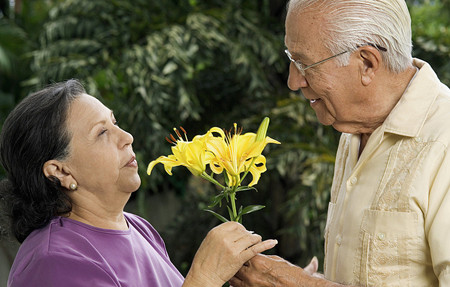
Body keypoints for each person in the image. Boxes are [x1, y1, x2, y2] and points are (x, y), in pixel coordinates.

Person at [230, 0, 450, 286]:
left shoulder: (443, 143)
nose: (293, 81)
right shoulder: (353, 131)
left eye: (304, 64)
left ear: (367, 63)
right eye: (291, 59)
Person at [0, 79, 278, 287]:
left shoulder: (139, 228)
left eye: (115, 122)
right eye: (101, 133)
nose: (127, 136)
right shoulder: (53, 262)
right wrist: (204, 278)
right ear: (60, 172)